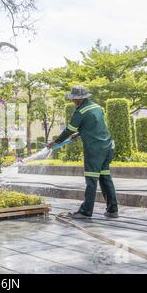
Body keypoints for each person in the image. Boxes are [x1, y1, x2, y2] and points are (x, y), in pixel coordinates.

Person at [47, 86, 118, 219]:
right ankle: (112, 210)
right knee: (105, 177)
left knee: (91, 179)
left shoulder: (80, 112)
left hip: (94, 149)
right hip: (107, 146)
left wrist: (56, 142)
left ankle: (85, 212)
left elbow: (68, 130)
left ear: (79, 98)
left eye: (73, 99)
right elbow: (95, 125)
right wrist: (79, 133)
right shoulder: (97, 107)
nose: (73, 101)